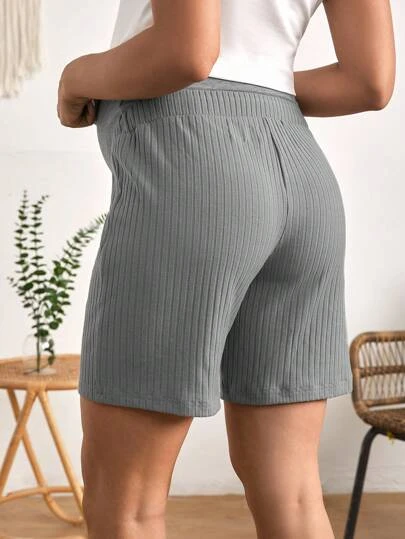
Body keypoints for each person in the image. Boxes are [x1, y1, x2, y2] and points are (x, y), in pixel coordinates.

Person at [57, 1, 395, 538]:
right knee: (294, 492)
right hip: (302, 176)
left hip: (191, 165)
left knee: (126, 504)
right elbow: (368, 82)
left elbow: (186, 54)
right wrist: (261, 84)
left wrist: (75, 78)